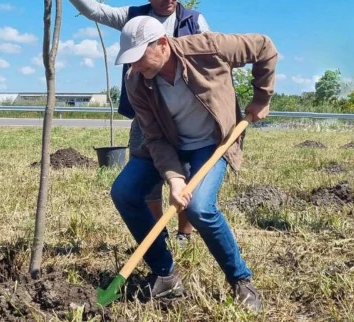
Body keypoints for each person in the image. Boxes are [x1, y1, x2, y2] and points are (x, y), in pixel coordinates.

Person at [110, 16, 277, 312]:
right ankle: (165, 274)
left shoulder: (207, 48)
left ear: (162, 44)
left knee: (199, 207)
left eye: (138, 58)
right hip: (169, 145)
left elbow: (264, 47)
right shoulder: (136, 81)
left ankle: (241, 281)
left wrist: (261, 97)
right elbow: (156, 138)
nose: (134, 67)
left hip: (211, 144)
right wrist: (175, 178)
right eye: (130, 61)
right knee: (124, 191)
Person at [54, 0, 208, 244]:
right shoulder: (134, 17)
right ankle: (157, 231)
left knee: (185, 174)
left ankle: (185, 233)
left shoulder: (194, 21)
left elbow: (210, 57)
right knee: (148, 175)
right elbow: (98, 12)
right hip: (146, 114)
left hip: (184, 114)